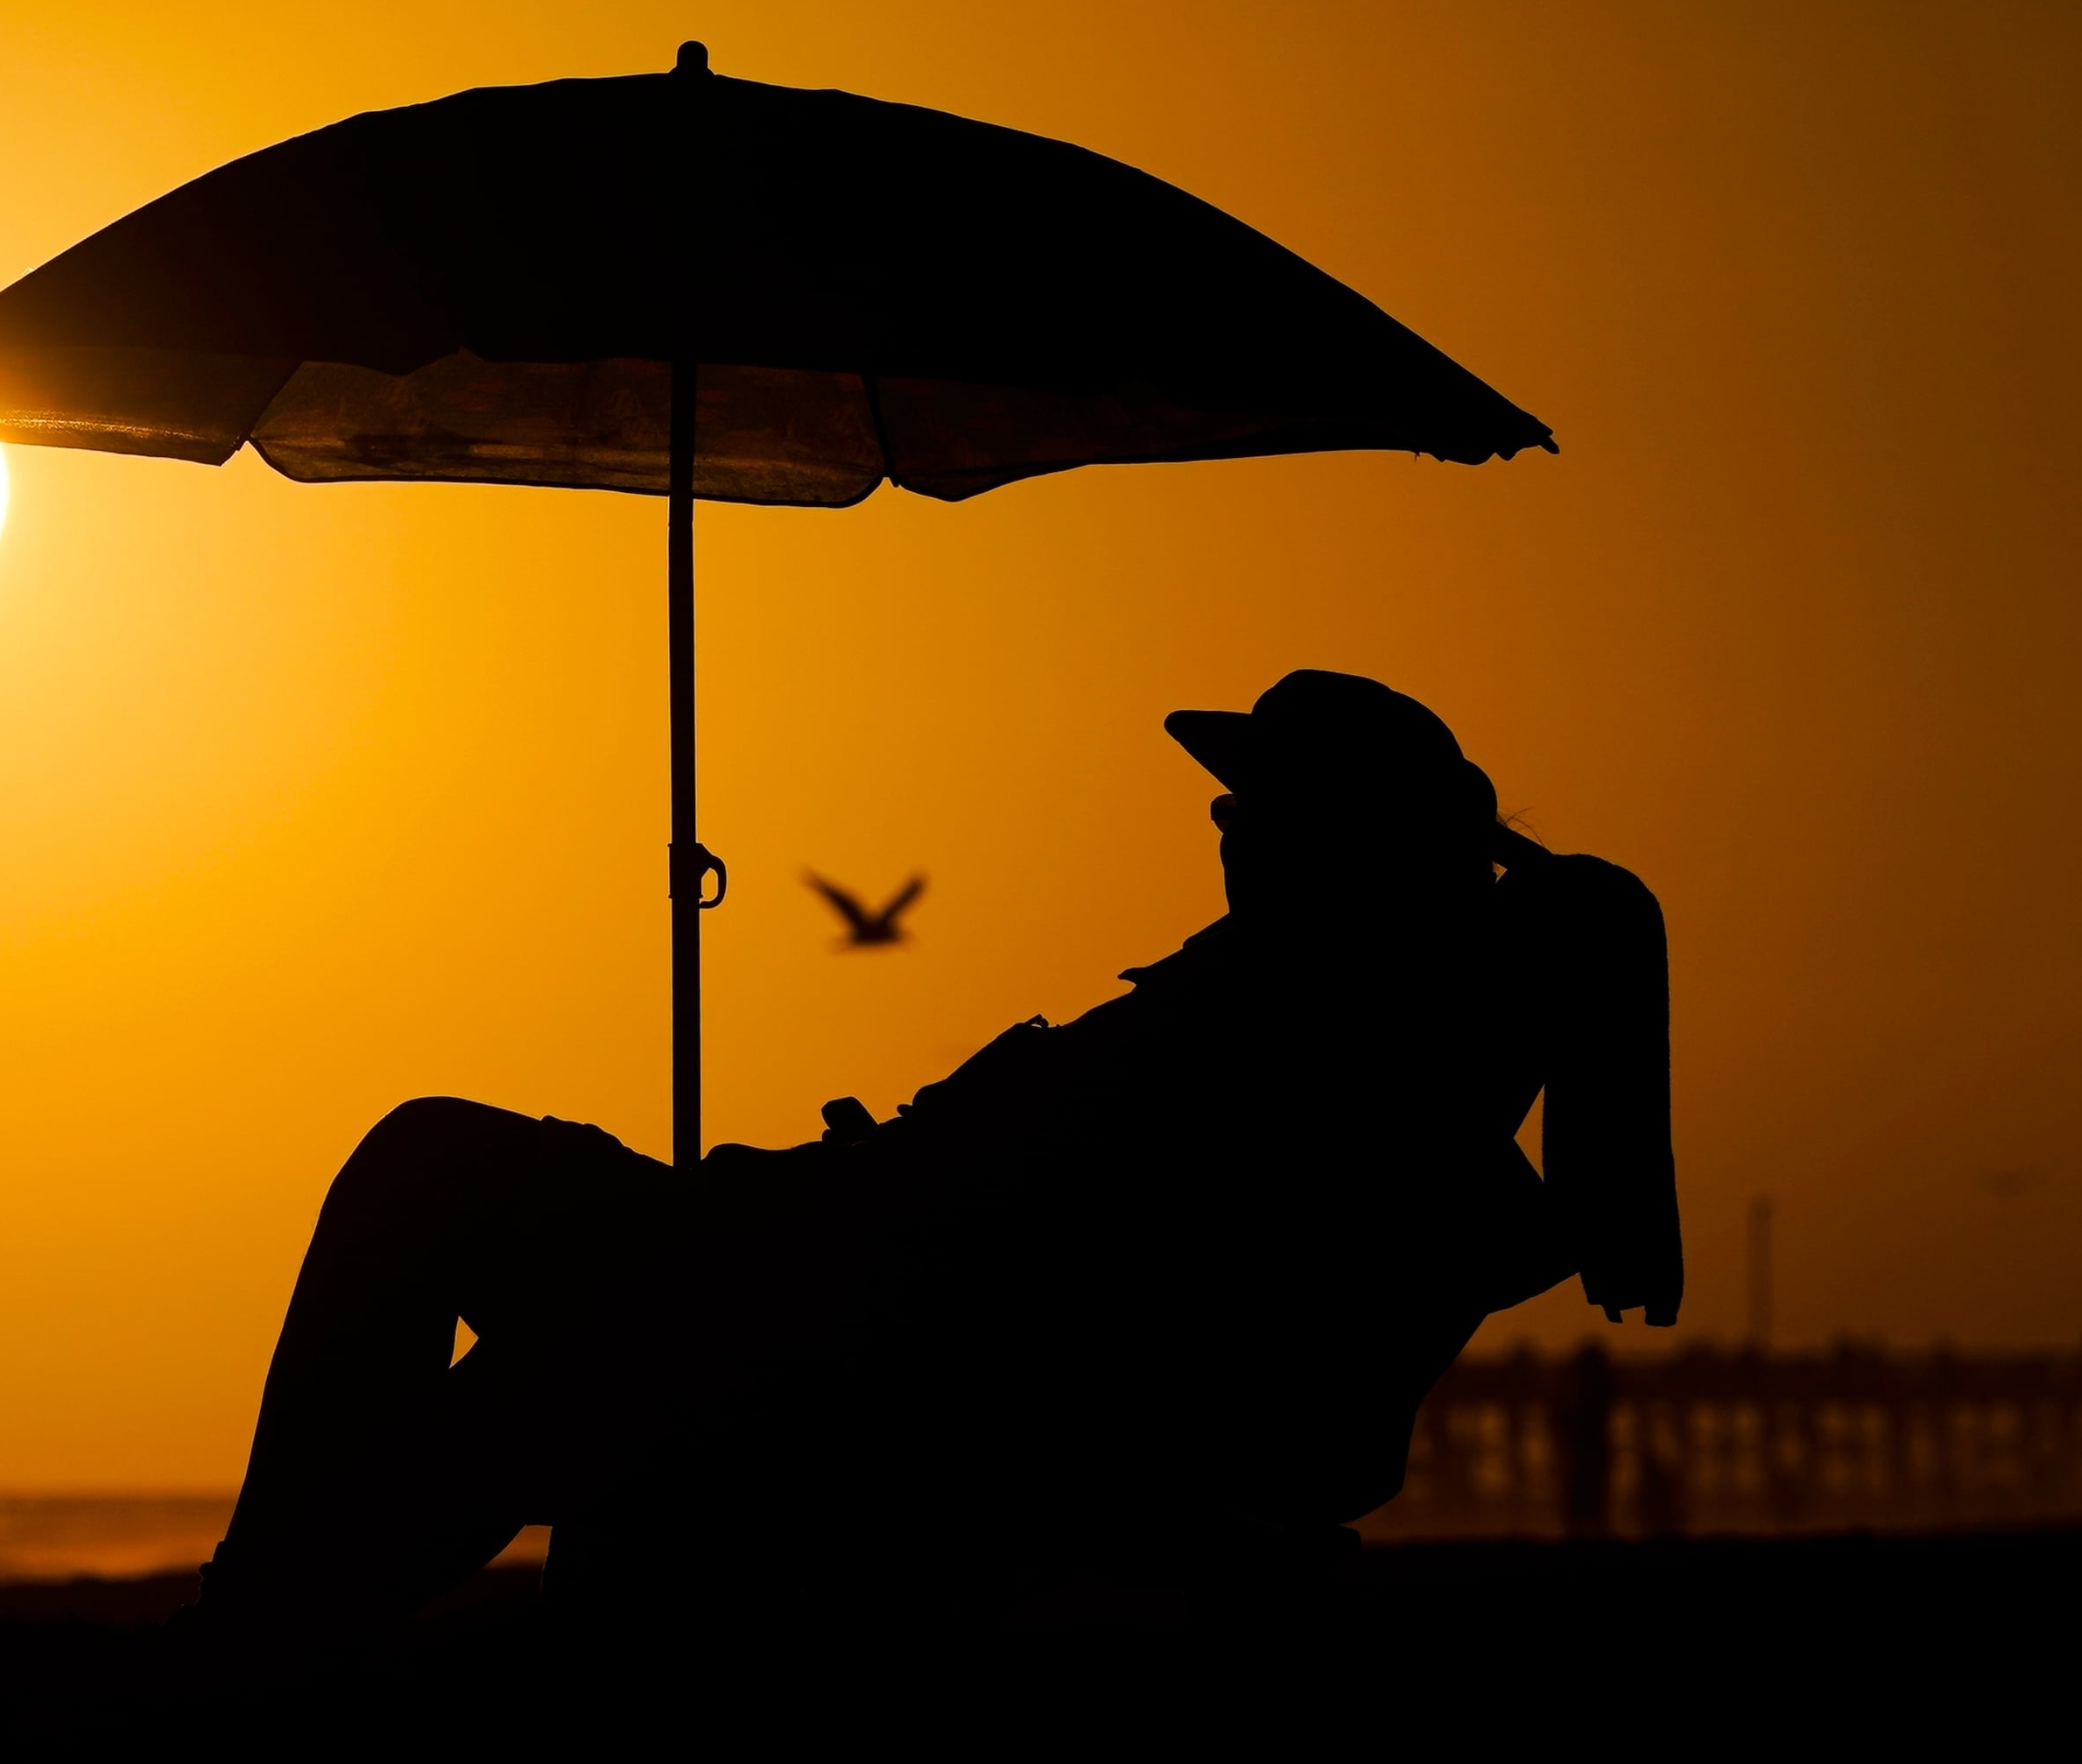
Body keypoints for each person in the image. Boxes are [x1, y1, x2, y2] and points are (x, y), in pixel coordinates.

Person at [202, 670, 1677, 1622]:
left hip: (865, 1336)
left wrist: (785, 1220)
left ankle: (268, 1619)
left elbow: (1028, 1232)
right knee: (490, 1249)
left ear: (1344, 839)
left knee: (462, 1211)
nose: (1227, 830)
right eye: (1229, 807)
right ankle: (283, 1615)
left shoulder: (1304, 1030)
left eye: (1257, 808)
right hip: (840, 1286)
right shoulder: (1311, 1015)